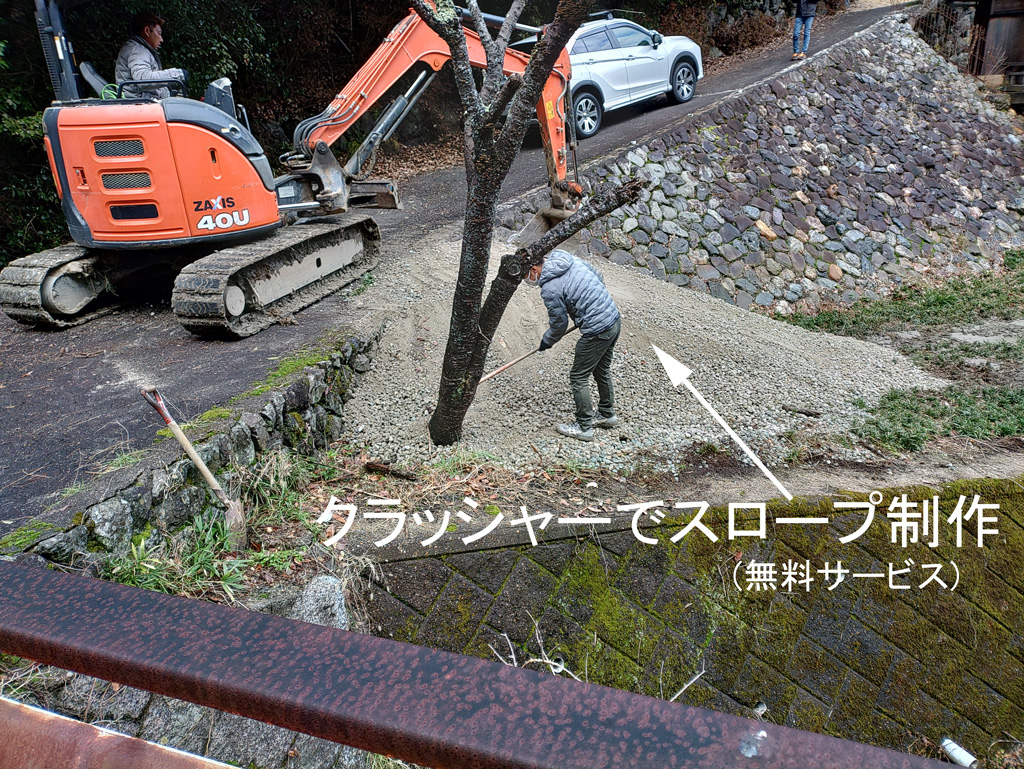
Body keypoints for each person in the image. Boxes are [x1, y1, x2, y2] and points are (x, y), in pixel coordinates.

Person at [534, 249, 621, 443]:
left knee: (578, 376)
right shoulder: (565, 257)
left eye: (526, 275)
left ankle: (584, 427)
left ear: (533, 268)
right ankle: (607, 414)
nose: (527, 279)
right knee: (601, 369)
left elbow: (559, 324)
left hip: (597, 330)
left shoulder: (549, 287)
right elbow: (597, 275)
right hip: (613, 318)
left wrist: (547, 341)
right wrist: (594, 303)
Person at [115, 11, 186, 99]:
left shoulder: (137, 48)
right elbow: (143, 80)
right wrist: (178, 74)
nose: (161, 39)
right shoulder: (138, 51)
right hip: (140, 107)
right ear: (147, 31)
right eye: (159, 34)